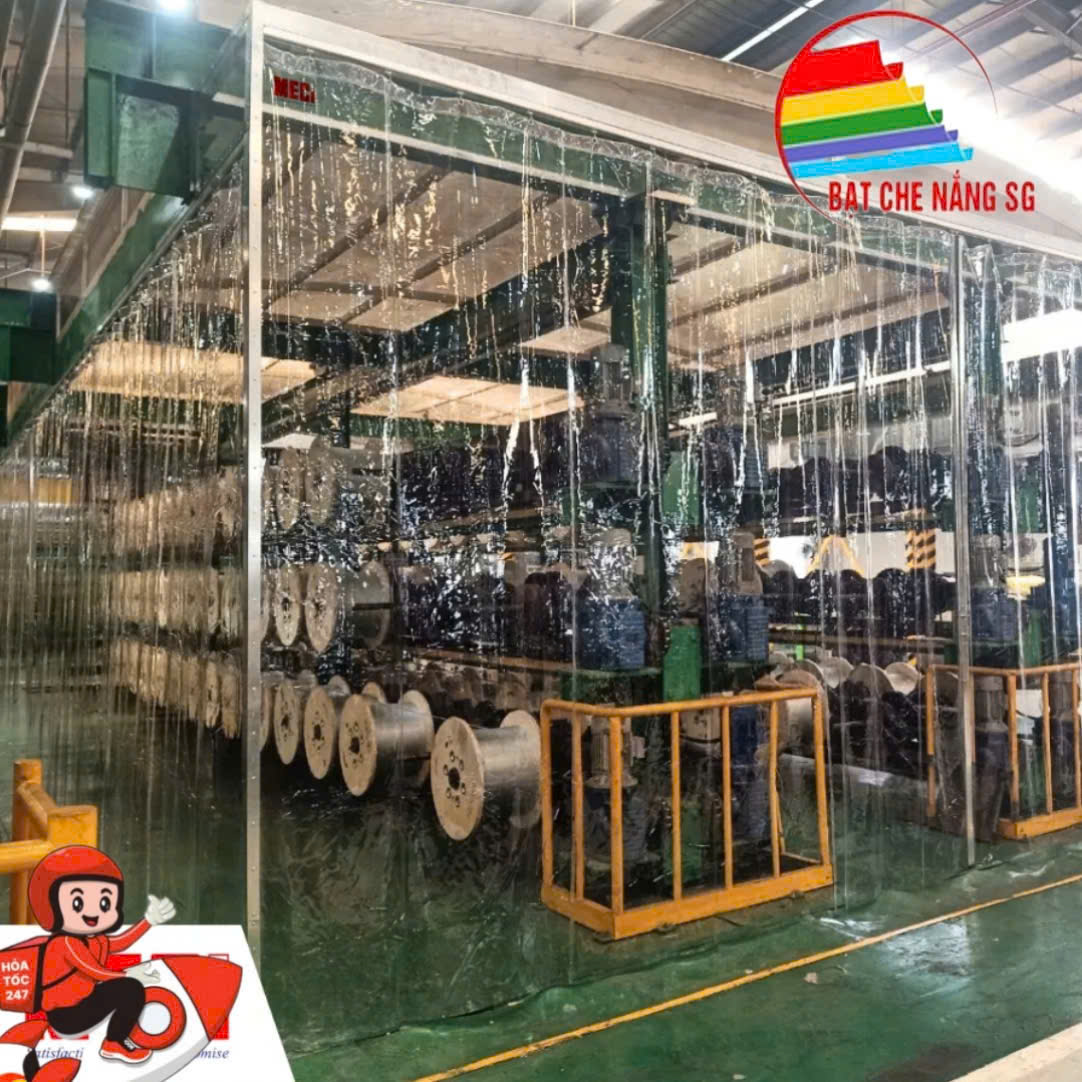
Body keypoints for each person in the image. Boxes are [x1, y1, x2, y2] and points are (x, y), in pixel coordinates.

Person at [24, 845, 175, 1073]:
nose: (93, 912)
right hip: (66, 1016)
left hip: (83, 1003)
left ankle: (116, 1039)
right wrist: (126, 974)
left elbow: (121, 942)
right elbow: (92, 970)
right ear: (51, 906)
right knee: (130, 988)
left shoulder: (95, 939)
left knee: (128, 987)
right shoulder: (64, 943)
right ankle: (114, 1042)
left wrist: (148, 921)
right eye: (77, 903)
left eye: (105, 902)